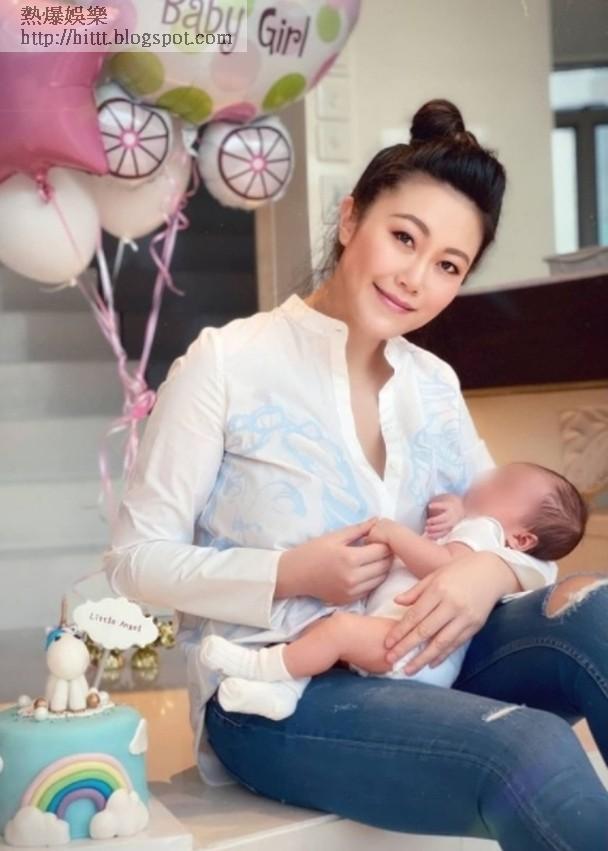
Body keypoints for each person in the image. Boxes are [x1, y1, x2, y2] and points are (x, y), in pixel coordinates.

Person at [103, 98, 608, 848]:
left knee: (597, 613)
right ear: (349, 220)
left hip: (427, 661)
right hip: (281, 690)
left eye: (448, 265)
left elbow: (516, 533)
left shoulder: (433, 383)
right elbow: (134, 561)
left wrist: (486, 574)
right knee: (530, 746)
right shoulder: (227, 362)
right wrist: (289, 572)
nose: (415, 278)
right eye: (404, 237)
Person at [198, 461, 589, 716]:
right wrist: (457, 510)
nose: (487, 479)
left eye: (504, 484)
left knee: (336, 631)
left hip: (407, 645)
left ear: (522, 539)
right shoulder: (489, 539)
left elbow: (446, 566)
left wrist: (394, 534)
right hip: (408, 647)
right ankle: (281, 694)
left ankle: (261, 667)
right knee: (322, 635)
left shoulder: (485, 531)